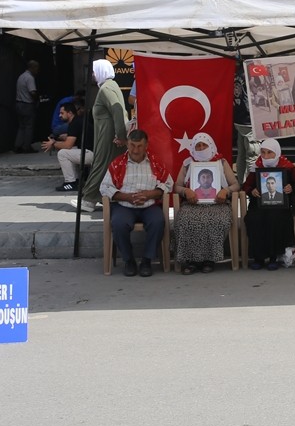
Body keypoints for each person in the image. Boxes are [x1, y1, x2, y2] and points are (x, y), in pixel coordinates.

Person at [100, 129, 173, 277]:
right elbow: (104, 187)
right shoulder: (118, 163)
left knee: (158, 221)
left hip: (149, 205)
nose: (135, 150)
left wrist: (149, 194)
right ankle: (129, 261)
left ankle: (146, 260)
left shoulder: (155, 162)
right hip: (124, 205)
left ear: (146, 145)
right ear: (127, 144)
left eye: (139, 146)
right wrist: (126, 197)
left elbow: (169, 184)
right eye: (132, 145)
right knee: (119, 223)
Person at [173, 132, 239, 275]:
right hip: (193, 203)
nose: (202, 148)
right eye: (198, 145)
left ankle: (209, 260)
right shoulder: (188, 163)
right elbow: (176, 186)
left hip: (218, 203)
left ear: (211, 145)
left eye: (204, 145)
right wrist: (185, 191)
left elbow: (235, 185)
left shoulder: (221, 162)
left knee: (216, 220)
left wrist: (225, 191)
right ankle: (190, 261)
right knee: (185, 220)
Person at [75, 59, 128, 214]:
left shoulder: (106, 88)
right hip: (108, 135)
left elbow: (117, 111)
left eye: (94, 71)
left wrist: (120, 135)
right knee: (106, 165)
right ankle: (101, 198)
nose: (92, 75)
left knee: (101, 164)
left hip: (108, 136)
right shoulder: (110, 86)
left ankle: (88, 200)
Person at [44, 100, 92, 192]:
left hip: (91, 153)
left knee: (63, 153)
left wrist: (53, 143)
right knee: (69, 152)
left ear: (70, 113)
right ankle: (77, 181)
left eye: (62, 113)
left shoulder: (75, 123)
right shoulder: (77, 121)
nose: (60, 115)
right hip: (90, 152)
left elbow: (68, 145)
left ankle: (70, 183)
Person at [14, 60, 39, 153]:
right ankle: (26, 146)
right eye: (36, 68)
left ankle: (17, 145)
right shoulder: (30, 78)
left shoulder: (21, 77)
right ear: (32, 67)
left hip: (18, 104)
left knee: (21, 126)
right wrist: (37, 99)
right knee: (29, 126)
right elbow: (32, 91)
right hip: (27, 105)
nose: (37, 70)